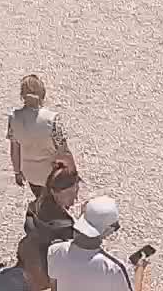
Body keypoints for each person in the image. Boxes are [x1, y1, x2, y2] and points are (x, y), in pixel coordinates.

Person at [47, 196, 134, 291]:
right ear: (108, 229)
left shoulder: (55, 251)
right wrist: (140, 270)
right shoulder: (114, 268)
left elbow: (54, 287)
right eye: (115, 226)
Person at [17, 158, 80, 290]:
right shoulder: (64, 225)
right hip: (46, 272)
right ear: (55, 192)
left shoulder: (37, 204)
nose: (75, 199)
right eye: (70, 194)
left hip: (30, 260)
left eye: (76, 192)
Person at [9, 74, 74, 198]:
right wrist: (72, 173)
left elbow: (14, 150)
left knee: (41, 199)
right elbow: (64, 151)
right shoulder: (52, 119)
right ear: (42, 94)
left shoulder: (14, 119)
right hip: (52, 174)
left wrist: (17, 172)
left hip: (30, 173)